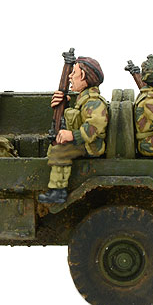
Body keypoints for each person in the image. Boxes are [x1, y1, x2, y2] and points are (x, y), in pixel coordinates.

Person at [38, 57, 108, 204]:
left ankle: (58, 191)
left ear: (83, 76)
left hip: (92, 146)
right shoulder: (84, 99)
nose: (70, 76)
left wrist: (73, 135)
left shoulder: (93, 101)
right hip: (86, 142)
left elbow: (95, 126)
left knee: (60, 151)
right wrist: (64, 105)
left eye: (74, 72)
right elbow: (77, 118)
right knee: (55, 147)